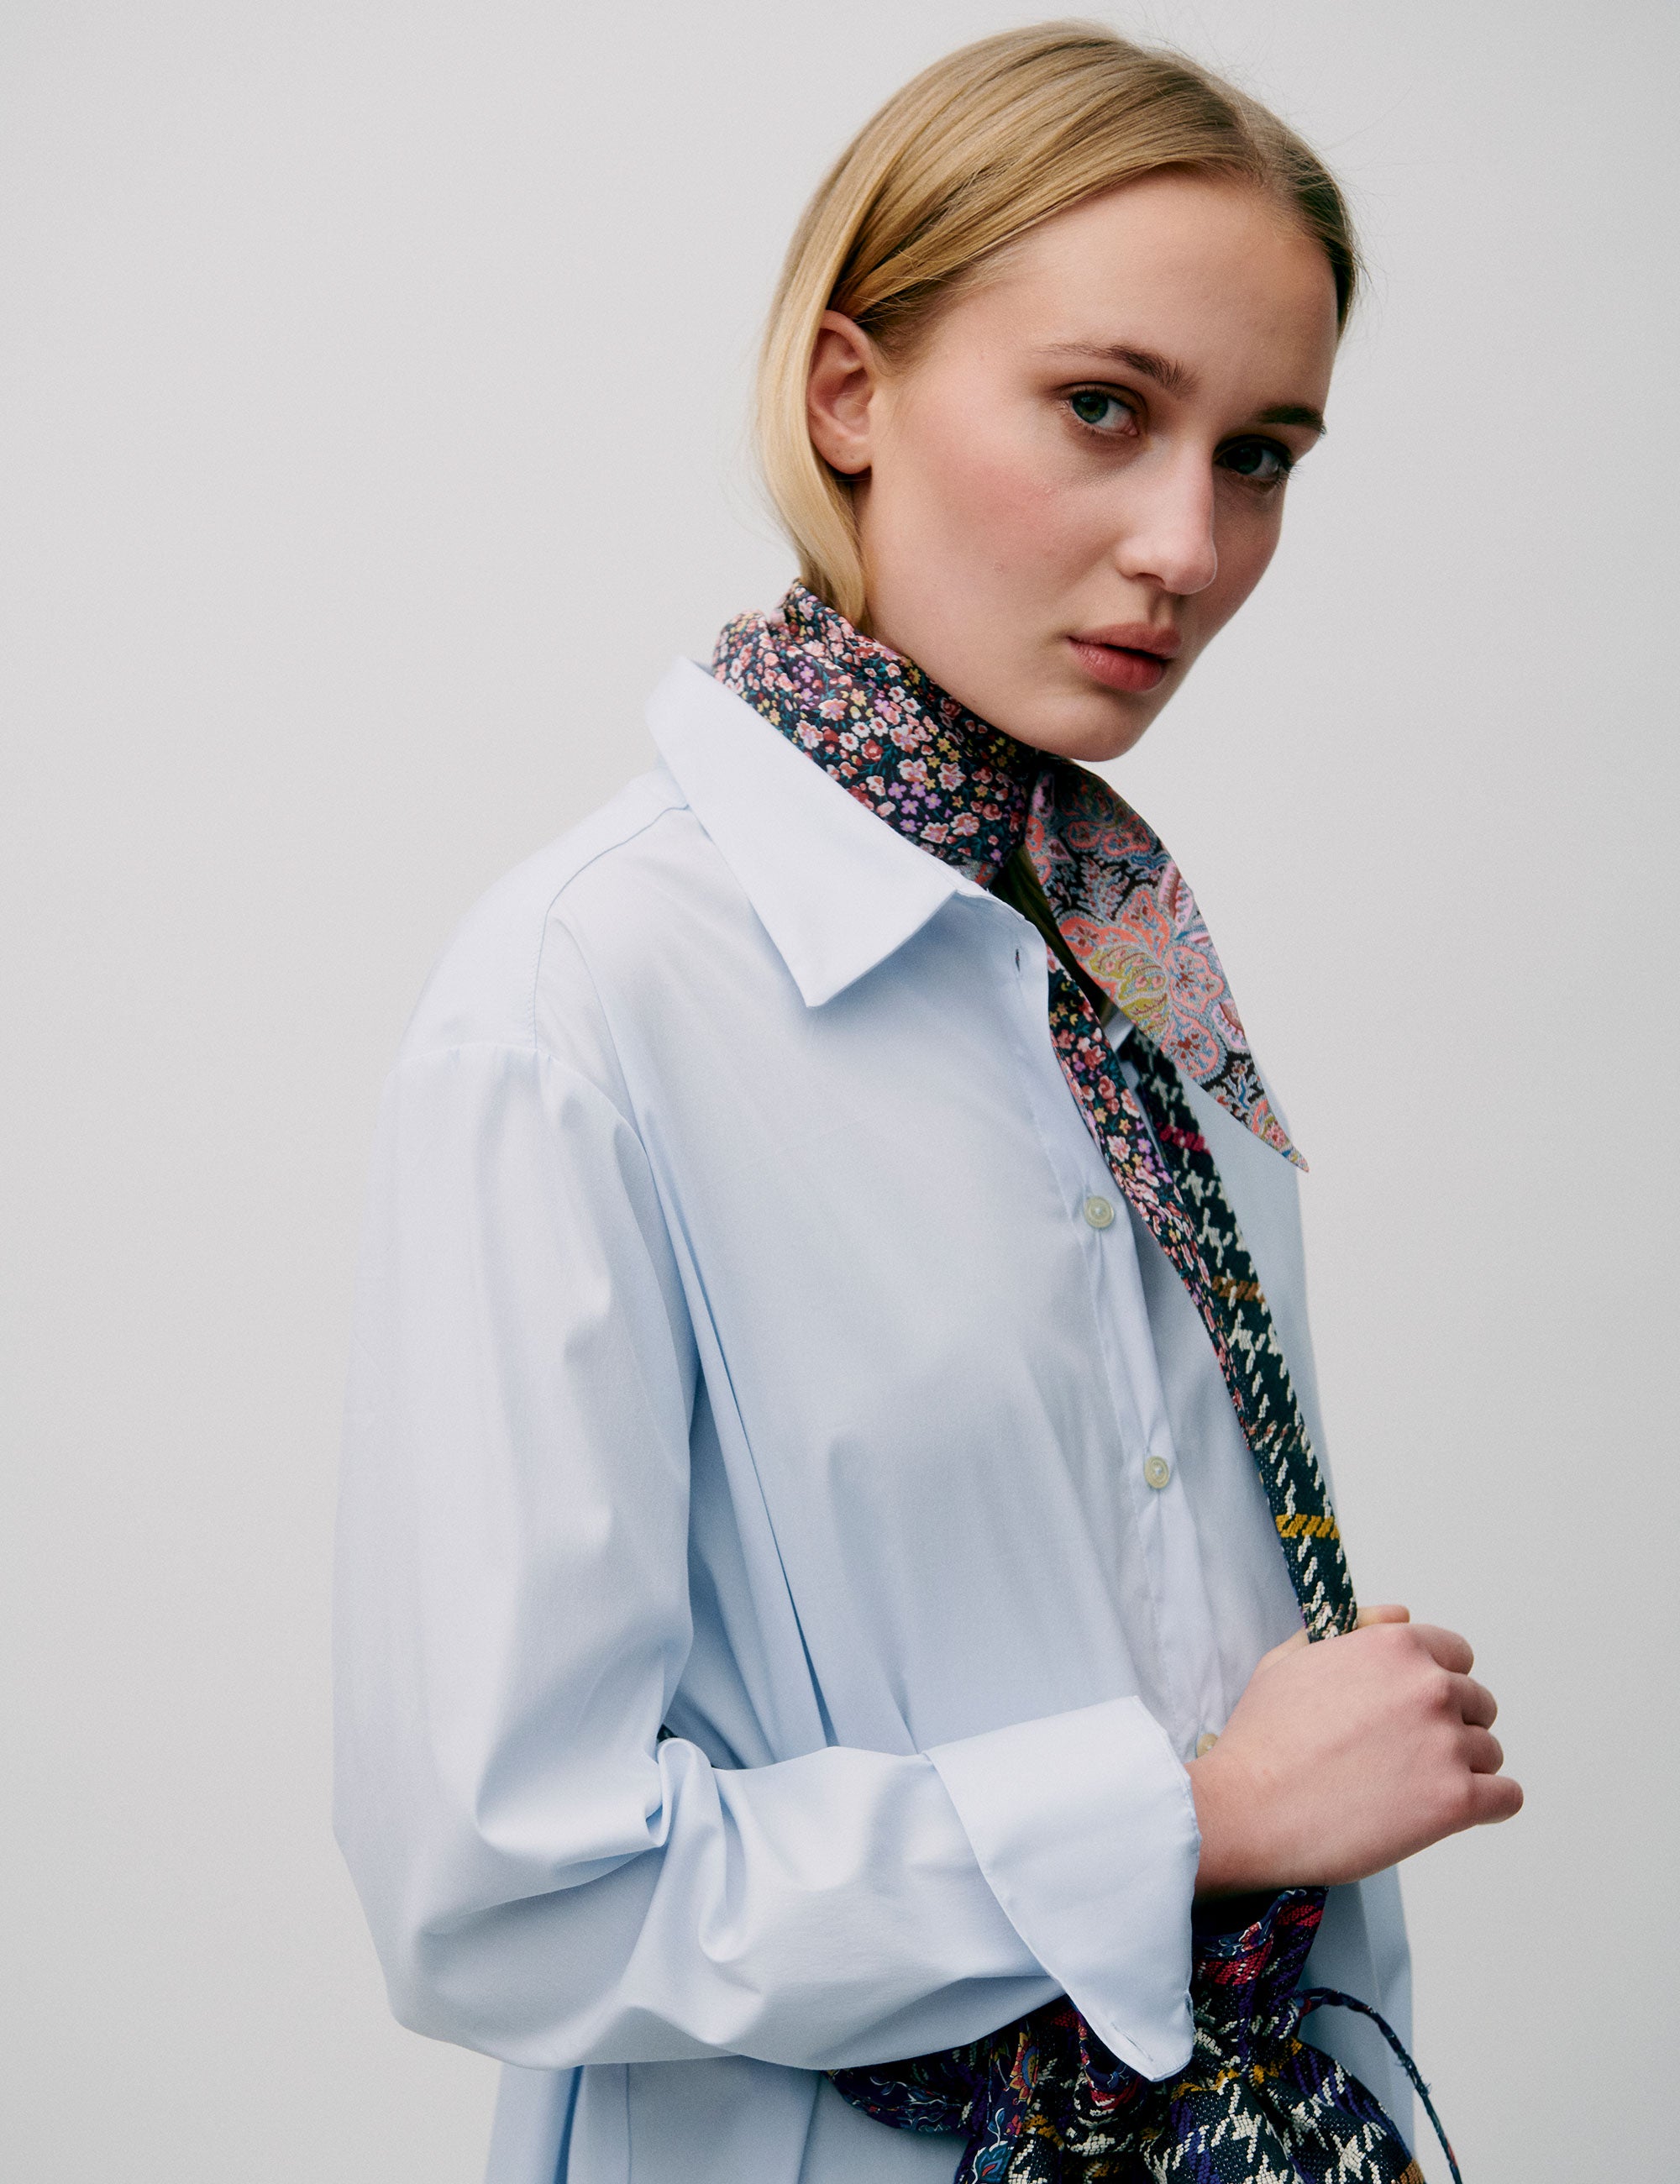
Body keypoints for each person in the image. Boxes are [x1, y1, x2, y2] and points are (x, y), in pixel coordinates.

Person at [333, 24, 1521, 2184]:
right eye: (1104, 408)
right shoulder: (582, 1001)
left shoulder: (1133, 969)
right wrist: (1196, 1814)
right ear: (846, 394)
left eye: (1261, 453)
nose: (1188, 543)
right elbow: (501, 1891)